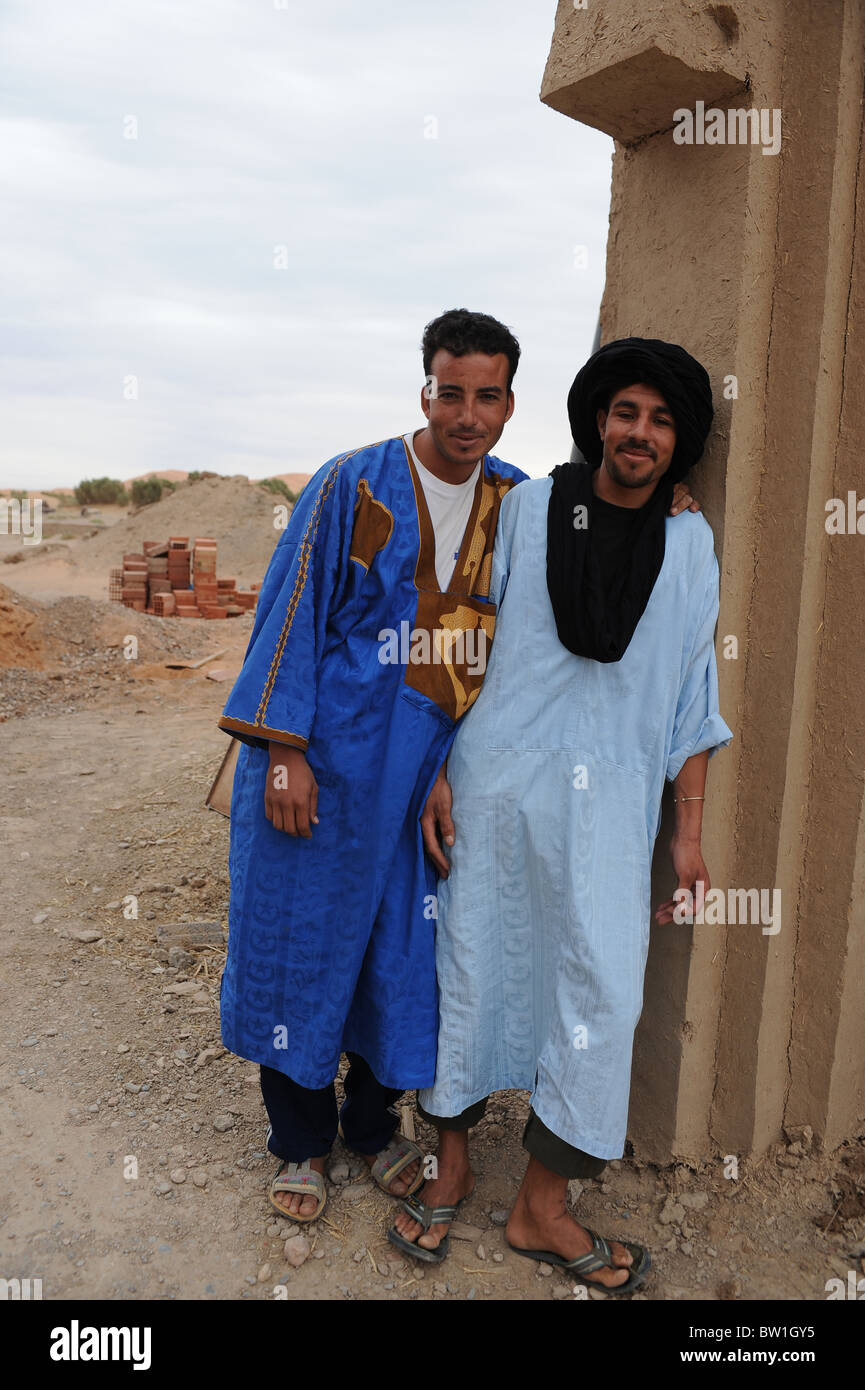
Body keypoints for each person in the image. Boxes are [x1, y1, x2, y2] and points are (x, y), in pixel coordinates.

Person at [389, 338, 732, 1294]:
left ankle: (541, 1205)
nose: (640, 432)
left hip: (614, 804)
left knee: (599, 992)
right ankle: (449, 1162)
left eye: (662, 420)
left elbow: (690, 697)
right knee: (470, 960)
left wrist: (687, 831)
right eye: (626, 412)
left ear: (681, 441)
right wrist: (436, 771)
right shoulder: (531, 507)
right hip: (494, 783)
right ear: (596, 420)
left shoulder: (690, 541)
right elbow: (463, 638)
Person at [217, 309, 528, 1221]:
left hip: (429, 777)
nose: (467, 413)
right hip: (328, 763)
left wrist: (670, 503)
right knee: (302, 944)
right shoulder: (351, 483)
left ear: (510, 402)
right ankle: (300, 1143)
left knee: (405, 953)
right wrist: (283, 753)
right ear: (424, 390)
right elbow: (289, 617)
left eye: (487, 395)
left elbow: (598, 533)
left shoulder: (517, 502)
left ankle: (373, 1128)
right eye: (450, 391)